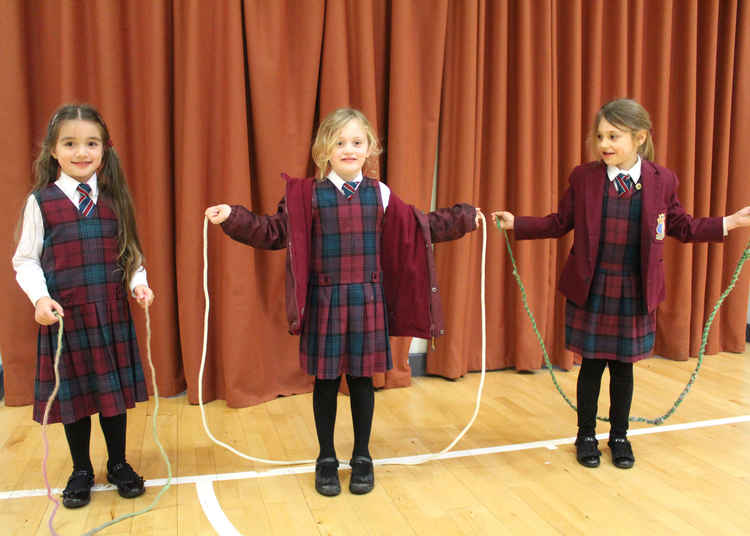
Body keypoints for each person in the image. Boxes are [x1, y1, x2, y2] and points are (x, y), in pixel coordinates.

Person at [206, 107, 480, 496]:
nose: (348, 149)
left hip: (367, 301)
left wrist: (466, 217)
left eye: (357, 141)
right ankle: (326, 458)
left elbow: (423, 226)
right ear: (324, 150)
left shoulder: (381, 194)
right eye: (339, 142)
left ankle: (363, 456)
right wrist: (232, 217)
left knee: (363, 382)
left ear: (370, 148)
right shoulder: (306, 196)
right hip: (326, 304)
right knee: (326, 382)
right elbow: (271, 231)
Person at [492, 98, 750, 469]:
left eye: (614, 136)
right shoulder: (584, 178)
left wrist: (731, 222)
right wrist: (518, 223)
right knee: (592, 366)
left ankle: (619, 435)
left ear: (640, 137)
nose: (604, 144)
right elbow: (558, 222)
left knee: (624, 368)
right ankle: (584, 435)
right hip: (592, 289)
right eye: (600, 136)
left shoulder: (663, 181)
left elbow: (683, 226)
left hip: (634, 291)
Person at [13, 104, 155, 508]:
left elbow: (131, 255)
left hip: (110, 315)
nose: (82, 152)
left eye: (91, 144)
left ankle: (119, 463)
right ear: (53, 151)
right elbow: (25, 260)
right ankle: (81, 470)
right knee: (74, 400)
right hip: (67, 321)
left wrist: (139, 284)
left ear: (104, 149)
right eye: (71, 144)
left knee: (111, 397)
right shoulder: (41, 203)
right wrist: (40, 298)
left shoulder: (114, 200)